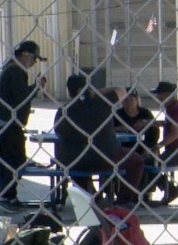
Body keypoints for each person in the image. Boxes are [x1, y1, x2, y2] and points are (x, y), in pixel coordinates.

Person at [55, 74, 145, 205]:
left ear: (69, 92)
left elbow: (59, 133)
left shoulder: (64, 110)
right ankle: (123, 201)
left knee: (73, 166)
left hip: (78, 159)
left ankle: (94, 199)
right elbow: (122, 90)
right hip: (107, 156)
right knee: (137, 161)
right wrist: (94, 93)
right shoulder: (102, 102)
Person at [0, 40, 47, 210]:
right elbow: (22, 97)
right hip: (9, 122)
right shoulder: (16, 70)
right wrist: (36, 86)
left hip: (6, 120)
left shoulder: (11, 68)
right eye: (34, 58)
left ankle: (9, 195)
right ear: (25, 55)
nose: (34, 62)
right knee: (15, 159)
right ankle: (6, 195)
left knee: (11, 160)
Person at [148, 80, 178, 206]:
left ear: (166, 95)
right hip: (173, 151)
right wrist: (148, 123)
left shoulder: (175, 109)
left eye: (159, 94)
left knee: (148, 164)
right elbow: (168, 124)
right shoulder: (170, 108)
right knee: (149, 162)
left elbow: (174, 134)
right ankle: (169, 189)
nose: (157, 97)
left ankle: (171, 190)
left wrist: (159, 145)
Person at [114, 88, 159, 158]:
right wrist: (118, 129)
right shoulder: (117, 114)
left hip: (144, 147)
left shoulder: (145, 113)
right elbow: (108, 129)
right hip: (123, 147)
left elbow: (155, 132)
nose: (129, 102)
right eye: (126, 99)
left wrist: (148, 149)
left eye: (131, 99)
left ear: (137, 100)